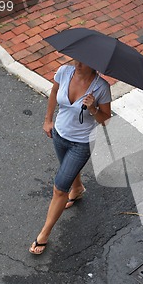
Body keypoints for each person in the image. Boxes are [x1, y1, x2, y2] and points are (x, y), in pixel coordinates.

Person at [29, 60, 112, 255]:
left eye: (84, 61)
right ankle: (78, 189)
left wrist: (93, 109)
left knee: (59, 188)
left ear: (94, 63)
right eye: (76, 58)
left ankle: (44, 234)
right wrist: (48, 120)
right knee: (67, 168)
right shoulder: (64, 72)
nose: (78, 63)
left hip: (82, 143)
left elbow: (106, 120)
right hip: (59, 134)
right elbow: (53, 92)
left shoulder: (101, 87)